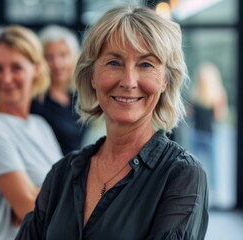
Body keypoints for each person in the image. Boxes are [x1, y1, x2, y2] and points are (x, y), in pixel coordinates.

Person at [16, 6, 209, 240]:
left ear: (165, 81)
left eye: (146, 64)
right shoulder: (62, 173)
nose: (128, 81)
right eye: (114, 63)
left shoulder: (181, 175)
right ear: (92, 76)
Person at [0, 25, 63, 240]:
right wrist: (49, 193)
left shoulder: (40, 126)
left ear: (36, 68)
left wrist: (43, 193)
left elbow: (67, 192)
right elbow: (30, 210)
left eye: (16, 68)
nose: (6, 79)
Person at [30, 25, 86, 155]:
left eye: (63, 55)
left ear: (73, 58)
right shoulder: (35, 102)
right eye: (49, 57)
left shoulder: (80, 97)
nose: (57, 63)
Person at [190, 62, 228, 203]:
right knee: (195, 166)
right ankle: (197, 190)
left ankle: (215, 192)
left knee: (214, 166)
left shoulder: (217, 95)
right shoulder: (195, 93)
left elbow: (220, 115)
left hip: (211, 135)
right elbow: (191, 114)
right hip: (196, 135)